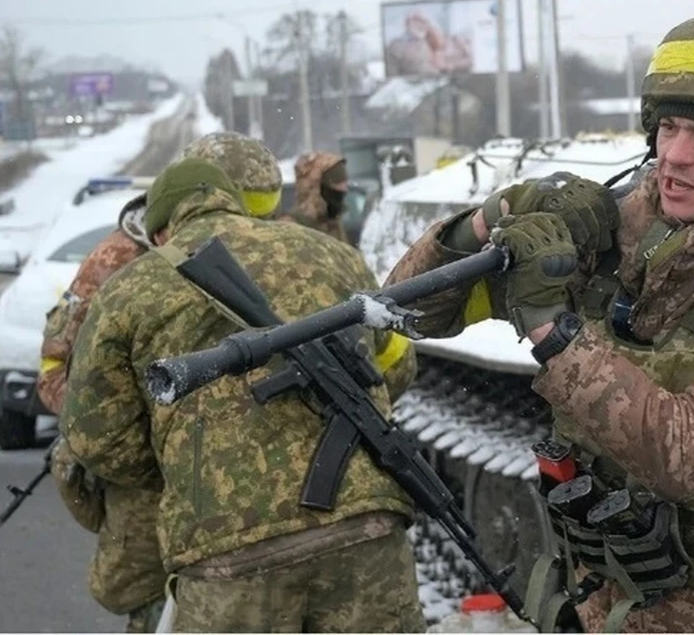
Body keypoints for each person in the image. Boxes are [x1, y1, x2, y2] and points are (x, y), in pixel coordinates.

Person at [384, 12, 694, 633]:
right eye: (668, 127)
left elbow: (691, 455)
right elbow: (410, 307)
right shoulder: (610, 236)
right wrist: (495, 215)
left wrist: (552, 329)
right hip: (604, 608)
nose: (677, 156)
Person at [58, 157, 423, 633]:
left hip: (226, 549)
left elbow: (94, 436)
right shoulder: (333, 253)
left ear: (162, 229)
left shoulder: (128, 288)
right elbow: (394, 369)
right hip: (365, 526)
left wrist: (184, 462)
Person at [39, 131, 285, 632]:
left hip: (240, 475)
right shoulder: (118, 262)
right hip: (151, 477)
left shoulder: (265, 249)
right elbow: (57, 373)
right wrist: (150, 446)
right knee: (153, 600)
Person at [279, 151, 353, 244]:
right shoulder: (289, 228)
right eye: (337, 183)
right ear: (317, 188)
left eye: (344, 183)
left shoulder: (334, 224)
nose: (344, 189)